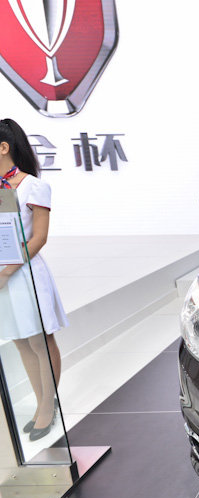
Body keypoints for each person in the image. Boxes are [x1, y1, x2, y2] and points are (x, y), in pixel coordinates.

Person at [0, 118, 68, 441]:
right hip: (3, 278)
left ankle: (48, 407)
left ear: (3, 148)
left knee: (40, 340)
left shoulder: (33, 186)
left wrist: (6, 272)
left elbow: (39, 238)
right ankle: (42, 403)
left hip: (25, 273)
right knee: (19, 340)